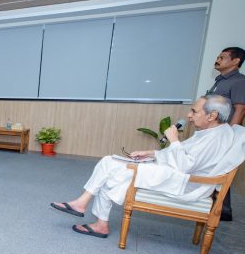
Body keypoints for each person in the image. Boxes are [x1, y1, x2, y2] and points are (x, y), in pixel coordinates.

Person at [51, 95, 239, 238]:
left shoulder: (215, 138)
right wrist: (151, 153)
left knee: (112, 169)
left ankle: (88, 211)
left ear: (212, 115)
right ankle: (86, 208)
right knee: (111, 165)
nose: (189, 116)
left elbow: (184, 165)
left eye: (194, 111)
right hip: (178, 175)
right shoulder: (212, 132)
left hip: (186, 183)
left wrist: (174, 139)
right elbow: (185, 158)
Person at [207, 46, 245, 221]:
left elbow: (240, 108)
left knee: (222, 167)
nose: (218, 59)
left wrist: (229, 135)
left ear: (236, 61)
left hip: (224, 133)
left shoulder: (239, 81)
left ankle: (224, 209)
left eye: (222, 57)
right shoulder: (220, 80)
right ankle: (218, 204)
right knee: (214, 165)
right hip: (213, 132)